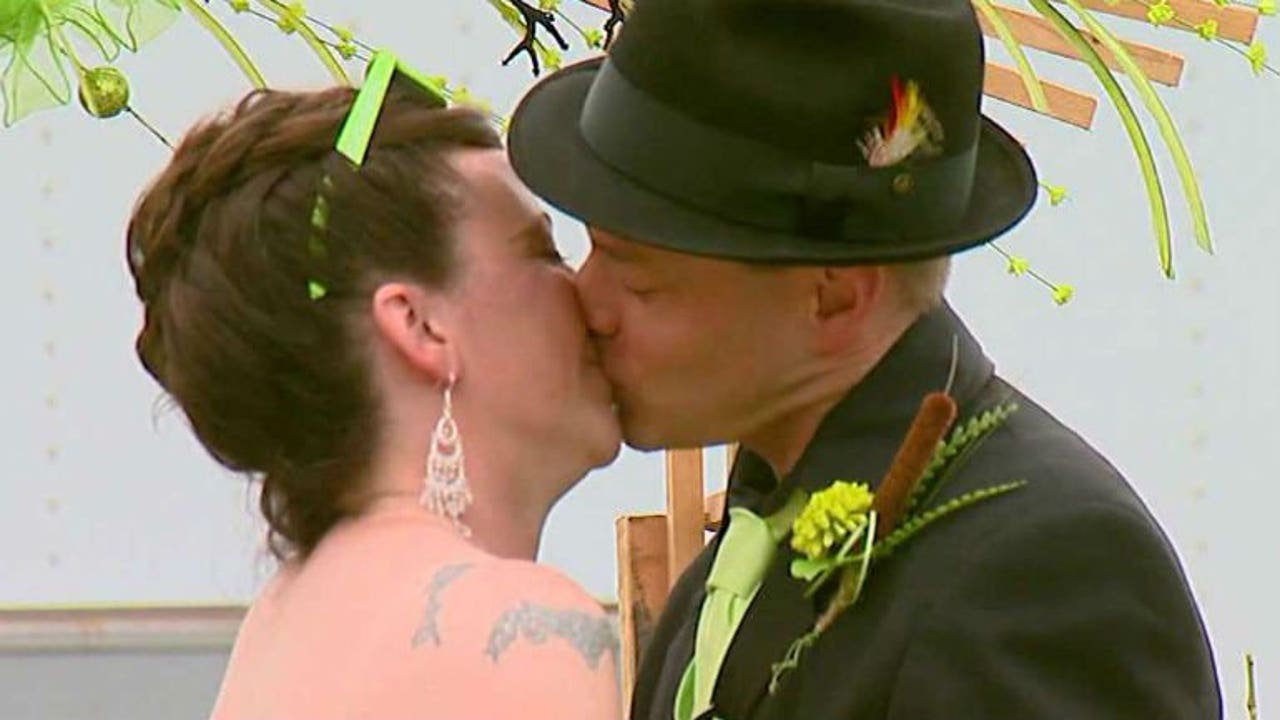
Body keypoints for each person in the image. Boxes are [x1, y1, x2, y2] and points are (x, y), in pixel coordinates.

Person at [505, 0, 1222, 717]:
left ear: (835, 299)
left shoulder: (1044, 576)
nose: (587, 303)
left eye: (638, 279)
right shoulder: (728, 568)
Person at [125, 51, 622, 720]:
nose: (588, 291)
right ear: (419, 325)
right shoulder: (516, 630)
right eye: (543, 252)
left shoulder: (283, 622)